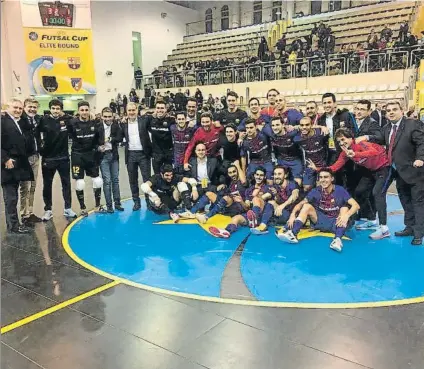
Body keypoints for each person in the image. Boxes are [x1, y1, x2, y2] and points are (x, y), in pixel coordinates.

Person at [308, 128, 390, 240]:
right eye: (339, 141)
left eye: (343, 139)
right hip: (370, 171)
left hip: (384, 168)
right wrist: (317, 169)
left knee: (377, 194)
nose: (341, 143)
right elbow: (335, 167)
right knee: (359, 192)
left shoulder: (361, 143)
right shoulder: (345, 153)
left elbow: (374, 152)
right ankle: (371, 220)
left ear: (351, 138)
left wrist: (355, 153)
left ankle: (384, 228)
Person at [278, 169, 360, 252]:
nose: (323, 180)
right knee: (306, 206)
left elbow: (356, 205)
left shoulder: (340, 190)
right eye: (321, 177)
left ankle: (337, 240)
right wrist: (292, 215)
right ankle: (293, 234)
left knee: (344, 208)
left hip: (336, 223)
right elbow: (300, 203)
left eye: (326, 177)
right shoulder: (315, 191)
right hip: (320, 221)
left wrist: (346, 215)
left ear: (332, 179)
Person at [383, 101, 424, 245]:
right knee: (405, 201)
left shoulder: (413, 124)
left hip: (415, 171)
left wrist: (420, 158)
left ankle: (419, 233)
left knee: (418, 203)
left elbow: (421, 142)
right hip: (398, 172)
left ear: (402, 110)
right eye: (388, 110)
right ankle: (410, 227)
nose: (391, 112)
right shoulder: (387, 128)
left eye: (394, 109)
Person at [38, 99, 76, 221]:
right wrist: (41, 150)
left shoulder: (67, 119)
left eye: (58, 108)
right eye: (53, 108)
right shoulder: (43, 120)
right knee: (47, 185)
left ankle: (68, 208)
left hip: (64, 158)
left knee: (66, 184)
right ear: (50, 109)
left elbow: (78, 120)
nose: (55, 111)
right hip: (48, 159)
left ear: (61, 110)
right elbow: (35, 134)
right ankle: (48, 210)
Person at [208, 166, 270, 238]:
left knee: (256, 199)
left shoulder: (267, 187)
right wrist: (241, 201)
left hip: (261, 217)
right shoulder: (249, 190)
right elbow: (246, 207)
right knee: (236, 218)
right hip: (250, 217)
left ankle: (254, 219)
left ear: (265, 177)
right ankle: (226, 231)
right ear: (254, 175)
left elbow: (268, 197)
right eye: (257, 175)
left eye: (261, 175)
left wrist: (256, 196)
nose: (259, 177)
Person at [1, 98, 34, 234]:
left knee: (14, 195)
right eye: (15, 107)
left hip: (17, 165)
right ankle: (13, 226)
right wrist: (5, 159)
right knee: (11, 197)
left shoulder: (17, 121)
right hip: (8, 165)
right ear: (7, 107)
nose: (18, 110)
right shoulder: (3, 121)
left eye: (20, 108)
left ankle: (14, 224)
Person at [68, 101, 103, 217]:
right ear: (78, 111)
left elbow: (99, 139)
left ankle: (97, 206)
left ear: (89, 110)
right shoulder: (72, 123)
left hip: (91, 156)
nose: (84, 112)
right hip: (77, 156)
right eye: (82, 110)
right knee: (80, 183)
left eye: (86, 110)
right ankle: (83, 208)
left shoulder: (95, 123)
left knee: (97, 181)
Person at [251, 166, 300, 235]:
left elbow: (295, 196)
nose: (276, 176)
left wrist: (282, 206)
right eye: (275, 174)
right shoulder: (275, 186)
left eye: (279, 174)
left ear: (285, 175)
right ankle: (262, 226)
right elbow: (265, 196)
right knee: (270, 202)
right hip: (282, 213)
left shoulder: (292, 184)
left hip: (293, 215)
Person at [121, 102, 152, 211]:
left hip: (144, 154)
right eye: (129, 110)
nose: (131, 112)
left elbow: (154, 117)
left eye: (133, 110)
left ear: (137, 110)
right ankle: (136, 202)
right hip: (130, 155)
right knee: (132, 180)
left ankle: (149, 202)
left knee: (147, 179)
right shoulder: (123, 123)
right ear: (126, 112)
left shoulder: (144, 121)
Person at [262, 117, 303, 186]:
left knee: (297, 183)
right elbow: (262, 127)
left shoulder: (293, 134)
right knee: (278, 182)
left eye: (277, 125)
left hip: (295, 161)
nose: (275, 127)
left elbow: (306, 128)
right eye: (273, 125)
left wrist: (297, 126)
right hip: (282, 160)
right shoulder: (271, 133)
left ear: (283, 125)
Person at [97, 107, 124, 213]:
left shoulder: (116, 126)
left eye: (109, 116)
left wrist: (111, 139)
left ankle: (117, 204)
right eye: (105, 116)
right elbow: (93, 141)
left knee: (115, 180)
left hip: (113, 155)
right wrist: (98, 148)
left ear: (113, 116)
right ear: (102, 116)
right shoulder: (98, 127)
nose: (108, 119)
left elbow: (120, 138)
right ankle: (109, 206)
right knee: (107, 181)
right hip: (103, 156)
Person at [20, 98, 42, 223]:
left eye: (34, 107)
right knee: (25, 187)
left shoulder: (37, 119)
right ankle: (24, 214)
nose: (32, 109)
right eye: (30, 107)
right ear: (24, 107)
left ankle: (31, 211)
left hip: (35, 156)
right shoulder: (20, 120)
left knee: (33, 186)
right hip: (25, 158)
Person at [294, 117, 328, 191]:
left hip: (322, 165)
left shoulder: (320, 133)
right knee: (306, 188)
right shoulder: (297, 138)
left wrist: (322, 127)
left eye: (307, 125)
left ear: (312, 125)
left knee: (322, 188)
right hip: (309, 165)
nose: (304, 127)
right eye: (302, 125)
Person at [143, 100, 175, 174]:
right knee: (157, 176)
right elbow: (139, 120)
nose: (160, 110)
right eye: (158, 108)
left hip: (168, 153)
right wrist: (126, 118)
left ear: (165, 109)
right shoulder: (150, 119)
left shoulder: (171, 120)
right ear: (155, 109)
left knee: (169, 175)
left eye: (162, 108)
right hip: (156, 154)